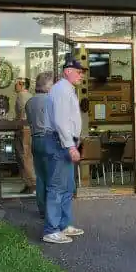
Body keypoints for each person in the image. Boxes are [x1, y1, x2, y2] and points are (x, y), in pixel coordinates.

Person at [42, 56, 85, 244]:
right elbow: (61, 121)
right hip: (60, 142)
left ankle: (63, 225)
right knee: (57, 186)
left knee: (67, 187)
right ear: (67, 71)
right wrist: (70, 145)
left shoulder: (67, 90)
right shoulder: (61, 90)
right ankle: (51, 229)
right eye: (78, 72)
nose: (81, 75)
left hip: (65, 141)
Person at [25, 72, 54, 219]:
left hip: (35, 139)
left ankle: (42, 209)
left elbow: (30, 122)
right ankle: (52, 210)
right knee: (52, 176)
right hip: (50, 140)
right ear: (48, 85)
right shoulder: (51, 100)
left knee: (40, 176)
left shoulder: (29, 102)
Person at [13, 78, 36, 194]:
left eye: (16, 83)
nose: (14, 85)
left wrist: (17, 122)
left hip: (23, 130)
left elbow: (22, 113)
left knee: (24, 156)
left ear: (22, 85)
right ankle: (29, 183)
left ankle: (31, 183)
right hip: (29, 130)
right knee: (27, 156)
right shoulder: (31, 96)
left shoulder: (21, 96)